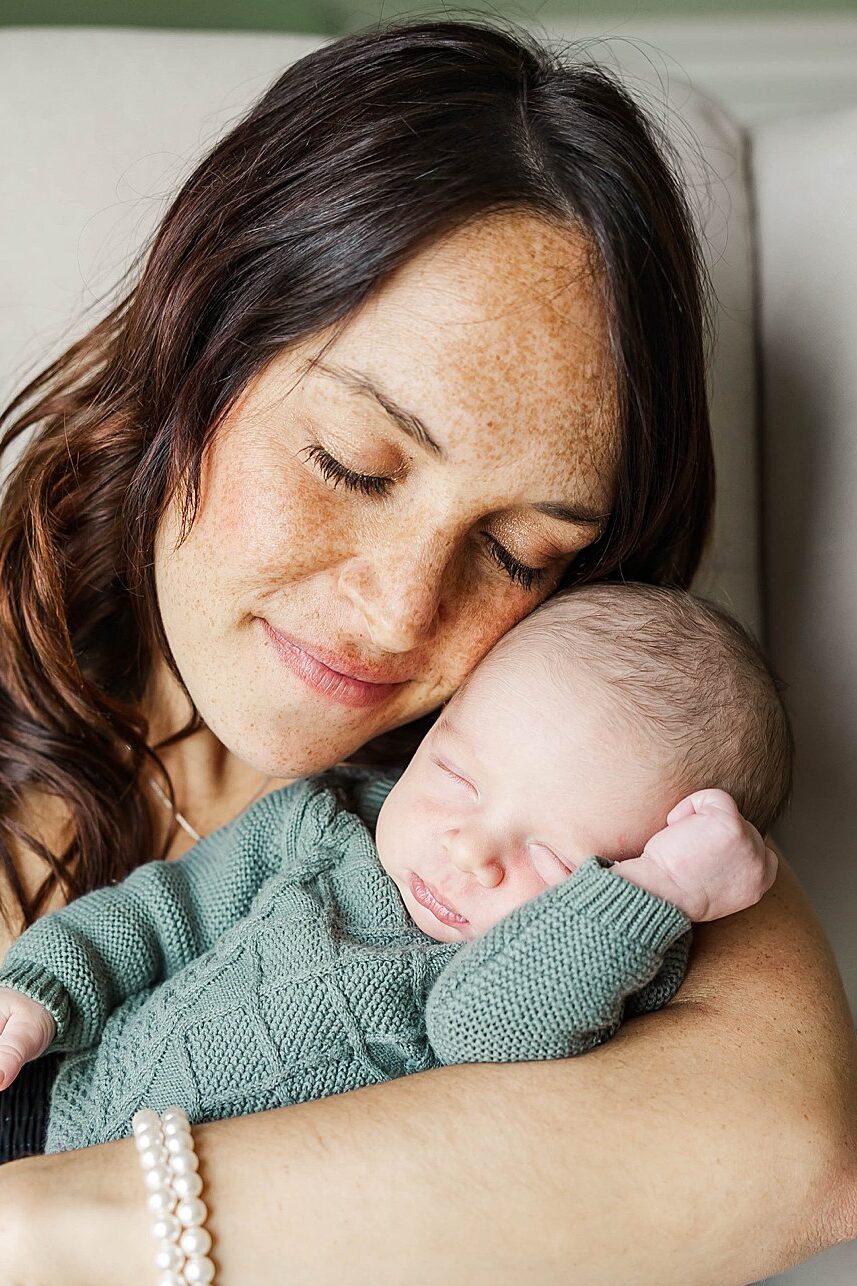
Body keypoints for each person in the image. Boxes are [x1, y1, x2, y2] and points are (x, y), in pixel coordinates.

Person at [0, 16, 852, 1285]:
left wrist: (60, 1223)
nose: (402, 616)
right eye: (352, 463)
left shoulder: (584, 774)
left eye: (518, 550)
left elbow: (786, 1150)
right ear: (194, 351)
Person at [0, 582, 784, 1151]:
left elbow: (478, 1026)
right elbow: (162, 912)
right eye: (456, 779)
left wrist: (658, 894)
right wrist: (42, 991)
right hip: (62, 1096)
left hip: (186, 1233)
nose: (471, 853)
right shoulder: (321, 824)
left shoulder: (575, 972)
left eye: (557, 860)